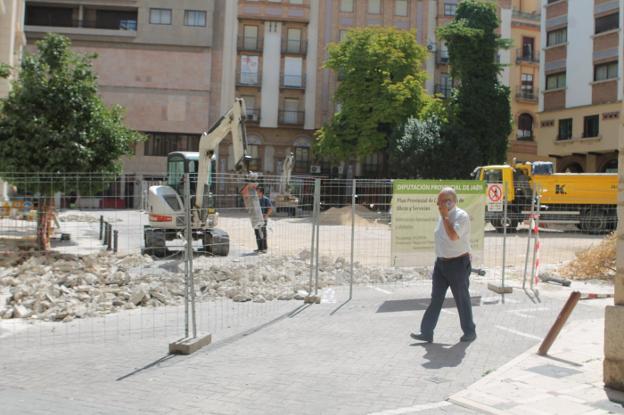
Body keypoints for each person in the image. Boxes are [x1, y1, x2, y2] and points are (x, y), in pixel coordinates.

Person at [411, 187, 477, 343]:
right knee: (436, 298)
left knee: (461, 298)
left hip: (458, 264)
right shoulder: (442, 216)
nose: (437, 204)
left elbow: (453, 236)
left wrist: (446, 216)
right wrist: (444, 216)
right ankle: (426, 332)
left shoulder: (461, 216)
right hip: (441, 264)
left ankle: (470, 331)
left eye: (440, 201)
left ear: (450, 202)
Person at [254, 186, 273, 254]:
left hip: (263, 219)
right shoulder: (255, 200)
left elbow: (270, 209)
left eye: (257, 192)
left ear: (261, 192)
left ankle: (264, 248)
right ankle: (259, 248)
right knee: (257, 233)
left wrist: (266, 216)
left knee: (263, 233)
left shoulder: (266, 199)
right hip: (256, 219)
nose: (256, 193)